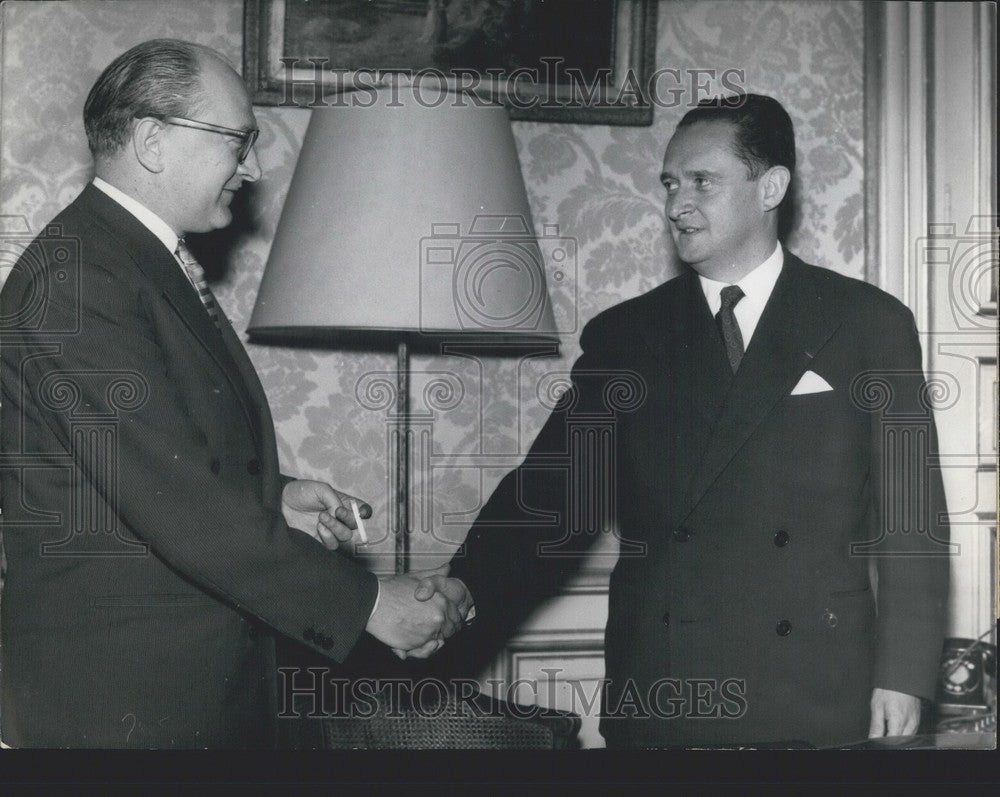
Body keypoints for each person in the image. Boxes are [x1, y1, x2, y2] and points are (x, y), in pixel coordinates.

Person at [416, 94, 951, 748]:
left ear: (770, 187)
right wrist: (463, 586)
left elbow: (912, 520)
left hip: (816, 688)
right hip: (666, 688)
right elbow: (551, 494)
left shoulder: (868, 323)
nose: (676, 205)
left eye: (702, 181)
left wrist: (904, 674)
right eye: (671, 183)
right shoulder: (627, 336)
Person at [0, 39, 463, 748]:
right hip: (121, 702)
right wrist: (369, 603)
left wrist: (275, 495)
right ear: (153, 141)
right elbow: (176, 501)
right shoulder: (79, 281)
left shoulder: (125, 260)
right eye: (237, 141)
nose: (252, 168)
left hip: (176, 691)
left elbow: (149, 461)